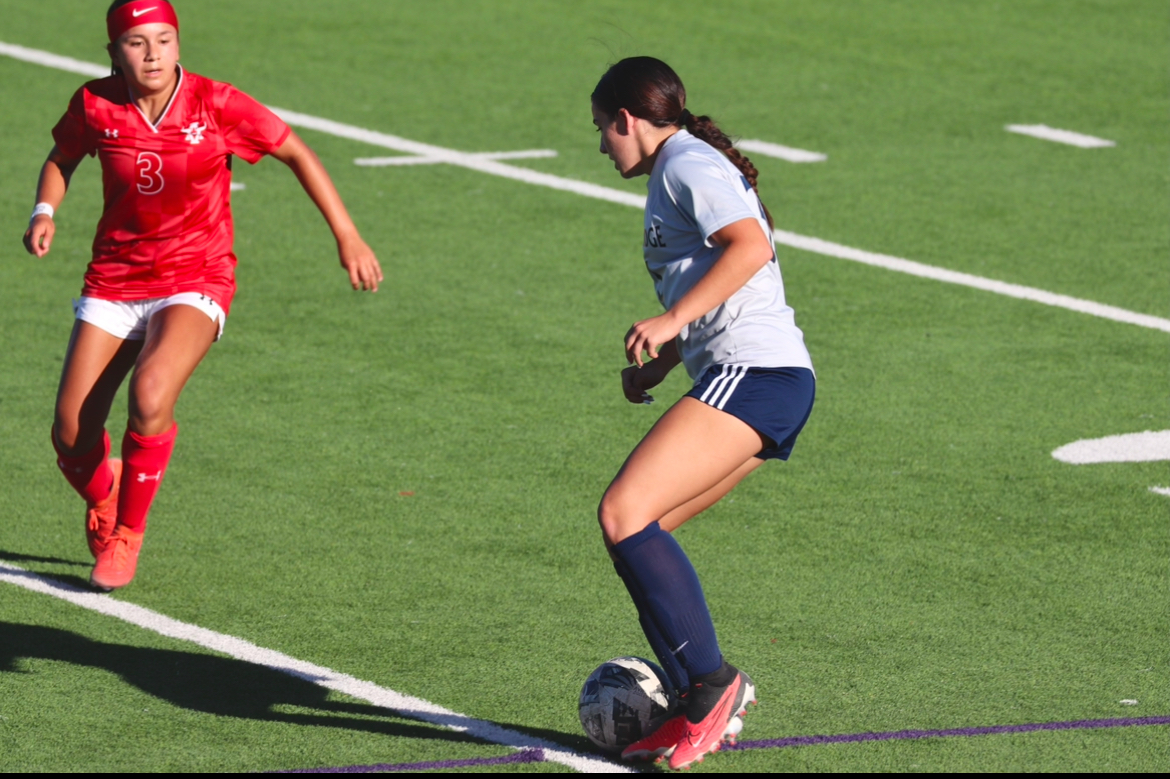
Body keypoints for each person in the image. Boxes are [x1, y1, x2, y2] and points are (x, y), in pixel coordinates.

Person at [22, 0, 382, 592]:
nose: (153, 53)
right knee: (69, 433)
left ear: (179, 43)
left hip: (196, 275)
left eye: (164, 39)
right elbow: (61, 158)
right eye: (137, 43)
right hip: (115, 279)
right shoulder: (95, 104)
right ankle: (107, 493)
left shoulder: (215, 103)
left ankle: (127, 533)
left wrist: (347, 236)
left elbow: (294, 150)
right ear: (114, 52)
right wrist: (45, 211)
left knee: (151, 392)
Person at [590, 57, 816, 769]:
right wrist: (661, 359)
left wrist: (669, 317)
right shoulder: (678, 169)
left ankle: (714, 685)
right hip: (758, 379)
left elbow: (748, 248)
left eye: (603, 130)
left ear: (628, 120)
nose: (602, 146)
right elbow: (712, 277)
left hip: (756, 374)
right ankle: (697, 699)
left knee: (623, 512)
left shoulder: (686, 162)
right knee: (642, 531)